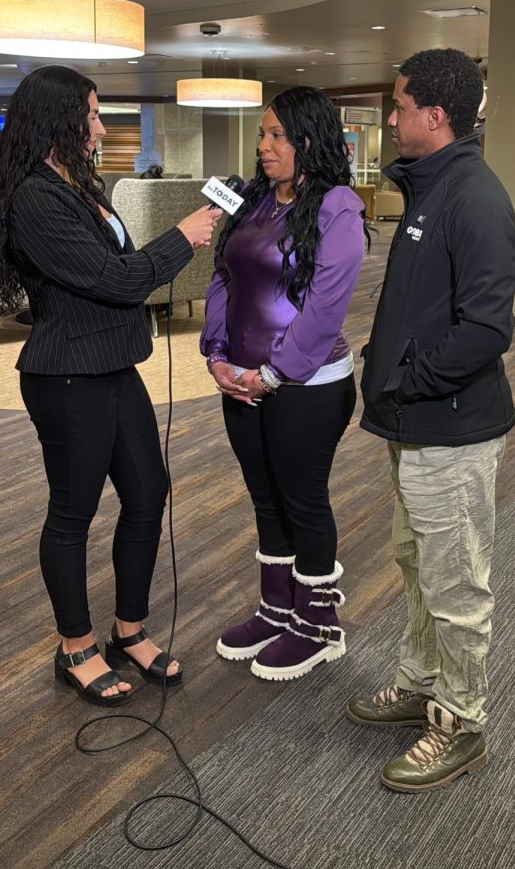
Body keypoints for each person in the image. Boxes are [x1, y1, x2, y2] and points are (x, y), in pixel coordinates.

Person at [0, 65, 222, 708]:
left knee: (149, 493)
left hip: (113, 367)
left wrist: (162, 247)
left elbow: (113, 266)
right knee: (73, 512)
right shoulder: (35, 197)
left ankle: (129, 629)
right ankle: (76, 648)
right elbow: (116, 281)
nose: (100, 124)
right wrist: (183, 238)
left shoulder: (78, 184)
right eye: (90, 113)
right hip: (66, 376)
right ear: (56, 119)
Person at [348, 48, 515, 791]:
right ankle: (421, 685)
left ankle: (461, 722)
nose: (390, 117)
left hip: (449, 427)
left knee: (455, 585)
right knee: (416, 566)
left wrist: (406, 378)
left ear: (434, 115)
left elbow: (485, 328)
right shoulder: (428, 188)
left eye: (397, 106)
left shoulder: (472, 195)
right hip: (412, 422)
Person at [200, 86, 366, 681]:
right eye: (262, 134)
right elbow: (224, 277)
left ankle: (319, 625)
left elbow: (326, 307)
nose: (263, 146)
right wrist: (216, 354)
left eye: (277, 136)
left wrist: (273, 373)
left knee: (302, 499)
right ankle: (276, 610)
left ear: (308, 141)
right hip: (241, 380)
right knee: (264, 497)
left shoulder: (337, 206)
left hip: (309, 384)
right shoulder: (252, 200)